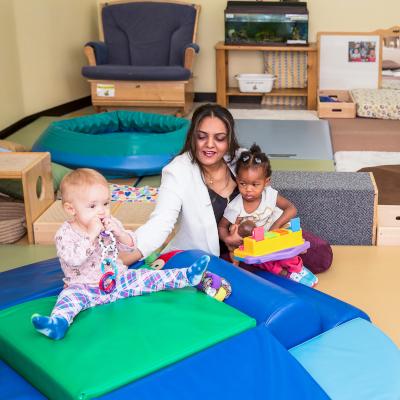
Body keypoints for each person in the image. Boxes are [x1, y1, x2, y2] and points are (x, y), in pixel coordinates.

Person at [31, 168, 209, 340]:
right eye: (92, 206)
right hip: (83, 287)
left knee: (148, 277)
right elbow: (74, 259)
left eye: (106, 203)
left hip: (118, 280)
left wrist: (121, 234)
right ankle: (57, 324)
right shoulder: (65, 234)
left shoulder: (109, 224)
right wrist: (91, 234)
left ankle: (186, 276)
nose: (101, 211)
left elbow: (131, 247)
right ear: (71, 209)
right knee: (67, 299)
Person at [121, 103, 243, 265]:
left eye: (219, 138)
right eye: (202, 136)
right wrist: (122, 260)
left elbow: (265, 202)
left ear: (229, 140)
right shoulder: (177, 171)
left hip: (246, 254)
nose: (210, 144)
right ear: (193, 137)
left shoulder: (241, 160)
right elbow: (161, 222)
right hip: (200, 261)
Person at [218, 144, 318, 287]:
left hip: (276, 235)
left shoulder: (270, 194)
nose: (248, 190)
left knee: (286, 250)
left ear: (266, 182)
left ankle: (296, 268)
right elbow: (222, 226)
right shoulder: (235, 207)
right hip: (259, 245)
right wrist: (228, 239)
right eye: (242, 183)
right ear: (237, 180)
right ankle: (284, 273)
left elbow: (291, 209)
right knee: (262, 261)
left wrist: (276, 226)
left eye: (255, 184)